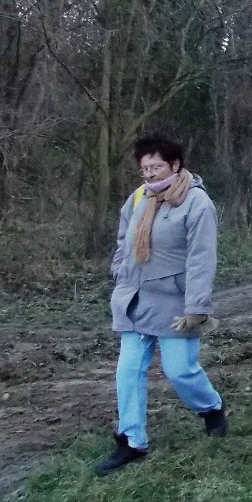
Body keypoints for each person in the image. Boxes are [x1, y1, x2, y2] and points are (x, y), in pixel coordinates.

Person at [95, 131, 227, 475]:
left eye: (156, 167)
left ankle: (211, 407)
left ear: (175, 165)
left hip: (174, 303)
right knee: (128, 371)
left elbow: (202, 258)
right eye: (145, 168)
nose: (150, 174)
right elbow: (124, 238)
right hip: (135, 299)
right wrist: (119, 269)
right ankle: (132, 440)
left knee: (180, 370)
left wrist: (196, 308)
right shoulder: (138, 197)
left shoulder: (197, 203)